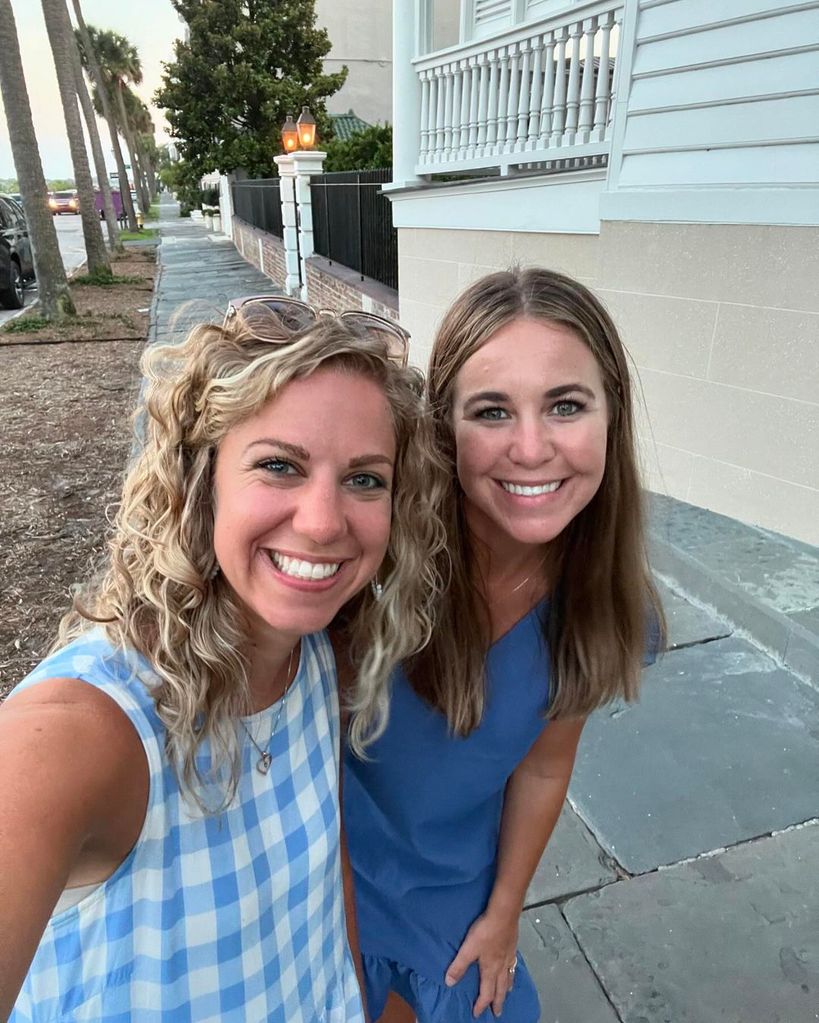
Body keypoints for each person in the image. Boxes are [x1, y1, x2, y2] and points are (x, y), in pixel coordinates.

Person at [0, 305, 445, 1022]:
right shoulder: (78, 735)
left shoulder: (315, 658)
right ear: (200, 480)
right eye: (278, 465)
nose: (325, 520)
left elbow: (324, 880)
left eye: (365, 479)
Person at [342, 267, 665, 1022]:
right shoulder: (372, 563)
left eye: (565, 405)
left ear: (610, 416)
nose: (530, 447)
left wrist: (506, 909)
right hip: (329, 884)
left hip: (455, 891)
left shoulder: (603, 605)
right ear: (441, 426)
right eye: (491, 411)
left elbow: (545, 765)